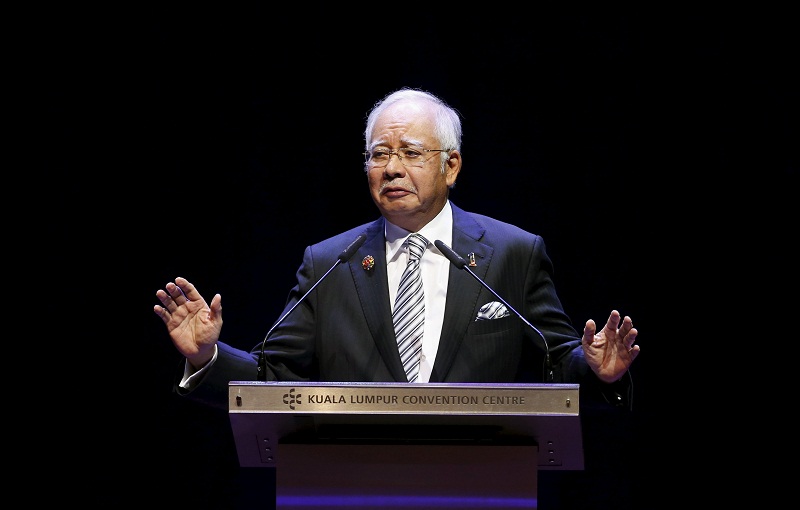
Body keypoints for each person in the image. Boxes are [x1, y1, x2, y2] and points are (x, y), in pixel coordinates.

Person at [154, 87, 640, 508]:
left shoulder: (513, 253)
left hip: (484, 484)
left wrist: (595, 371)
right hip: (346, 486)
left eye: (410, 152)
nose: (391, 169)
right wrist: (206, 356)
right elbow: (272, 376)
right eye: (378, 154)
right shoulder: (330, 262)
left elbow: (555, 361)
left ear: (451, 166)